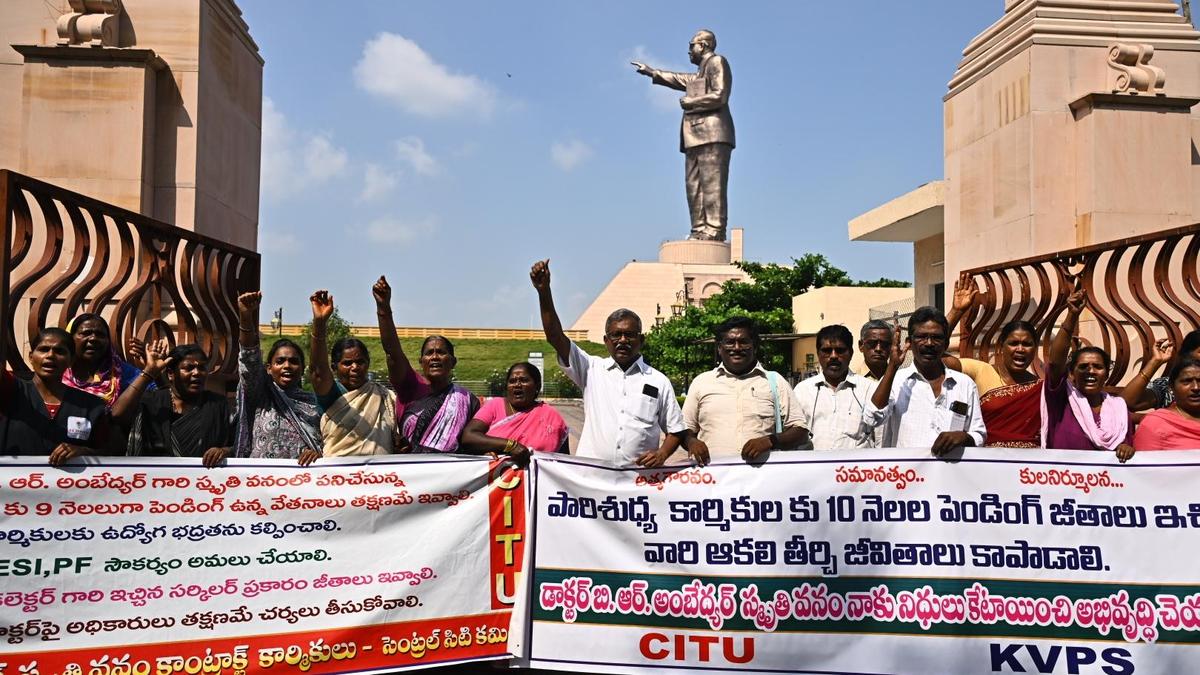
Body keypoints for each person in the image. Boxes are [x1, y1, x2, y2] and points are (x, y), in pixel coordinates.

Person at [530, 259, 685, 467]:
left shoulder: (659, 381)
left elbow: (675, 429)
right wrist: (544, 292)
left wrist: (662, 454)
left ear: (641, 340)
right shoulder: (591, 369)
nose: (622, 340)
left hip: (638, 482)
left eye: (629, 335)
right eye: (616, 335)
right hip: (594, 481)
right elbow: (555, 336)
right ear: (606, 340)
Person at [645, 317, 806, 466]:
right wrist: (692, 442)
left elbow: (800, 431)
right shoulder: (702, 382)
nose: (736, 348)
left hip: (761, 483)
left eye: (743, 342)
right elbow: (684, 430)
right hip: (713, 480)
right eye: (730, 342)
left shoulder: (775, 381)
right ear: (720, 348)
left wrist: (770, 441)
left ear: (755, 347)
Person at [632, 29, 734, 242]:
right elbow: (681, 79)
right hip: (694, 136)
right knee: (693, 186)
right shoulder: (700, 73)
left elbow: (720, 95)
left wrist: (691, 103)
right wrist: (653, 72)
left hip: (713, 133)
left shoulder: (717, 62)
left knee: (712, 184)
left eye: (691, 45)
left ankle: (714, 230)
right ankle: (699, 229)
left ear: (703, 45)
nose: (688, 51)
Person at [370, 277, 480, 453]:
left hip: (453, 476)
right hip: (410, 473)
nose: (435, 357)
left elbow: (473, 441)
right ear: (421, 362)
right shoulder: (411, 386)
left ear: (453, 362)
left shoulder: (467, 400)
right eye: (429, 353)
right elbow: (392, 352)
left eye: (441, 352)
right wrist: (383, 308)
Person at [864, 306, 987, 455]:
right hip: (907, 475)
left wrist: (964, 437)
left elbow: (979, 434)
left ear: (946, 343)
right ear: (909, 342)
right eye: (921, 337)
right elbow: (872, 418)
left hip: (951, 474)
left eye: (936, 337)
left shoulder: (965, 384)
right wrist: (892, 366)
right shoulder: (897, 381)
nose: (929, 343)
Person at [1039, 291, 1135, 460]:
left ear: (1106, 374)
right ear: (1071, 373)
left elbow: (1127, 443)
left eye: (1097, 367)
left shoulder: (1118, 408)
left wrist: (1126, 448)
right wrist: (1072, 316)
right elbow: (1054, 363)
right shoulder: (1061, 399)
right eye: (1083, 367)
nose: (1090, 371)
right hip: (1062, 480)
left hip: (1105, 482)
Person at [233, 291, 321, 465]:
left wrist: (317, 455)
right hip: (260, 484)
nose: (287, 366)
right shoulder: (261, 397)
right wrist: (246, 316)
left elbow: (330, 447)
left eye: (294, 361)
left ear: (302, 369)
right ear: (268, 368)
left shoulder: (315, 405)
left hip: (302, 486)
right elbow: (249, 358)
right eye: (280, 361)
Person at [113, 341, 233, 467]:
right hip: (155, 481)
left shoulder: (218, 404)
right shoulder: (151, 401)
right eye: (189, 368)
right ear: (171, 374)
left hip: (205, 481)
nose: (197, 373)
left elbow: (239, 444)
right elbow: (117, 414)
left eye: (202, 368)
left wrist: (225, 451)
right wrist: (149, 372)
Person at [308, 290, 396, 456]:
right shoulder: (333, 395)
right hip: (339, 477)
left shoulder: (383, 397)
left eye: (360, 362)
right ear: (334, 367)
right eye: (347, 363)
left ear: (368, 364)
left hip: (379, 477)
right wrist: (319, 324)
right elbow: (318, 372)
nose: (355, 367)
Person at [1, 328, 109, 463]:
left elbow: (112, 451)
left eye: (60, 351)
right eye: (43, 349)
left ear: (71, 360)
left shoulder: (92, 406)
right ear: (30, 356)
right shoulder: (10, 388)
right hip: (11, 482)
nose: (50, 355)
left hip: (72, 483)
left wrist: (84, 452)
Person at [461, 362, 569, 462]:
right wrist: (511, 446)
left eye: (524, 380)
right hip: (496, 478)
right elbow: (469, 436)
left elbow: (565, 462)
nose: (517, 385)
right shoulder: (494, 405)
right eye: (512, 381)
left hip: (537, 480)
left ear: (537, 386)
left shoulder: (551, 416)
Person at [794, 325, 877, 450]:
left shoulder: (869, 389)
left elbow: (881, 438)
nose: (833, 356)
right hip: (814, 468)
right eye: (827, 351)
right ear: (818, 354)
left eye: (840, 350)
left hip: (855, 469)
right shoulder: (802, 391)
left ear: (851, 353)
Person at [62, 313, 152, 409]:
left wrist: (152, 368)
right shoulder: (57, 371)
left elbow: (158, 393)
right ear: (70, 338)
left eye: (100, 335)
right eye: (86, 333)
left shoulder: (122, 372)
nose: (93, 339)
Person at [1132, 358, 1200, 451]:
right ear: (1171, 387)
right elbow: (1145, 463)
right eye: (1187, 381)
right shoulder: (1155, 424)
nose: (1196, 387)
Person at [1125, 330, 1199, 412]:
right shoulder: (1169, 386)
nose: (1196, 387)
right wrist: (1155, 362)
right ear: (1186, 354)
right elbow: (1127, 403)